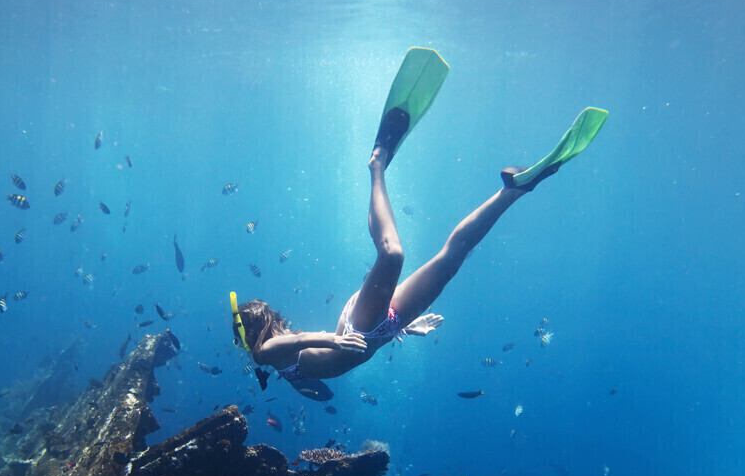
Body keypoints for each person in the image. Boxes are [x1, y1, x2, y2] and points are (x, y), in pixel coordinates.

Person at [231, 49, 607, 400]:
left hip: (356, 327)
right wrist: (404, 329)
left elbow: (298, 344)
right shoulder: (276, 369)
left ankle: (377, 162)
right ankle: (513, 191)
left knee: (392, 254)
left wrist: (333, 342)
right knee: (451, 261)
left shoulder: (266, 351)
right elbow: (322, 389)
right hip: (384, 328)